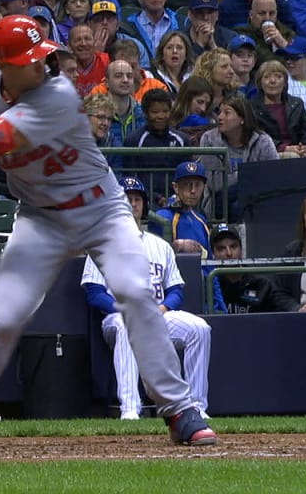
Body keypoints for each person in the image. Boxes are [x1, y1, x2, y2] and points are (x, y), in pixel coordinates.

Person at [0, 14, 215, 448]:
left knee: (135, 293)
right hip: (40, 216)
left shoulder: (57, 94)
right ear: (3, 66)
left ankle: (179, 409)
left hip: (100, 209)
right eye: (29, 60)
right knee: (5, 314)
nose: (42, 65)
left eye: (41, 56)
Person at [81, 177, 210, 420]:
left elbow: (175, 291)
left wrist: (163, 308)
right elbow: (94, 293)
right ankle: (130, 409)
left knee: (199, 329)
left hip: (158, 314)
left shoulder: (159, 246)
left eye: (137, 199)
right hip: (119, 317)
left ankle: (196, 407)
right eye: (126, 200)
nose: (132, 204)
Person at [199, 96, 278, 221]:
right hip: (219, 202)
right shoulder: (209, 139)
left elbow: (273, 177)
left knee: (240, 206)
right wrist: (250, 174)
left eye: (227, 112)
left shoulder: (263, 141)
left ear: (242, 119)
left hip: (257, 200)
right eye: (219, 112)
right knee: (230, 202)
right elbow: (216, 184)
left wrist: (242, 179)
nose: (220, 117)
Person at [210, 223, 297, 313]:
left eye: (233, 246)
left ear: (241, 249)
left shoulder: (261, 285)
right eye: (221, 248)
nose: (229, 253)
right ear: (212, 254)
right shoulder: (209, 287)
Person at [250, 60, 306, 157]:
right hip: (270, 152)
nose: (273, 81)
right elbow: (257, 137)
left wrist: (305, 146)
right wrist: (284, 147)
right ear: (260, 83)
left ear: (285, 82)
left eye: (278, 76)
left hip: (298, 149)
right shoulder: (252, 107)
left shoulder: (296, 103)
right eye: (267, 77)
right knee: (292, 157)